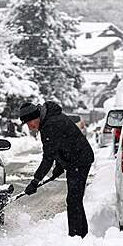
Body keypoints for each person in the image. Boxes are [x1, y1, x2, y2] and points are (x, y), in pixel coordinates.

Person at [19, 101, 95, 238]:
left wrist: (35, 181)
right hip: (75, 160)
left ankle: (77, 236)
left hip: (79, 161)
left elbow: (48, 158)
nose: (30, 127)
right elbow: (63, 145)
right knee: (74, 199)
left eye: (29, 123)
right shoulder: (50, 119)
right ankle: (80, 234)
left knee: (73, 200)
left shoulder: (50, 125)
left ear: (35, 117)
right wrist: (59, 166)